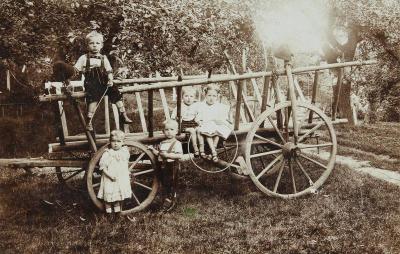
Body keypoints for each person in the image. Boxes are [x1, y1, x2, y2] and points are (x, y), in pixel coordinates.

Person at [74, 31, 132, 131]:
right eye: (92, 43)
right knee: (93, 98)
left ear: (101, 45)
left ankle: (123, 114)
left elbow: (109, 71)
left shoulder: (103, 58)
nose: (94, 46)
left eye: (97, 43)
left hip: (104, 81)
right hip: (91, 81)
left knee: (115, 92)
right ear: (87, 45)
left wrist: (110, 78)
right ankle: (89, 120)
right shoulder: (83, 58)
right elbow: (75, 70)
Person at [148, 119, 183, 211]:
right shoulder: (162, 143)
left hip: (172, 166)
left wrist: (168, 155)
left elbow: (179, 155)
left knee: (171, 183)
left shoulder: (177, 143)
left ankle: (170, 201)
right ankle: (165, 200)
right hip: (163, 166)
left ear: (176, 131)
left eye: (172, 130)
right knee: (164, 183)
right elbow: (159, 154)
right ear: (163, 131)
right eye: (167, 130)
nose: (169, 132)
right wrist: (153, 150)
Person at [97, 130, 132, 214]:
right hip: (109, 179)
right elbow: (103, 168)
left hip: (119, 179)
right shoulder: (108, 153)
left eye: (118, 141)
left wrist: (127, 172)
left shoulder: (124, 152)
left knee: (116, 197)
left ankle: (117, 214)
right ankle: (108, 214)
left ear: (123, 142)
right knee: (108, 198)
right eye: (113, 141)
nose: (115, 144)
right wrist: (109, 176)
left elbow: (124, 164)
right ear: (110, 142)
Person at [195, 84, 232, 162]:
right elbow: (198, 117)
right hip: (207, 125)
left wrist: (222, 122)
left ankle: (213, 151)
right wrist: (199, 121)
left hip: (216, 125)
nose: (211, 98)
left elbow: (223, 118)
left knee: (217, 131)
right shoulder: (202, 106)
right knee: (207, 131)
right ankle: (213, 151)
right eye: (209, 95)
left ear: (217, 96)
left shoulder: (219, 106)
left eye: (214, 96)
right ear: (205, 95)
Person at [171, 86, 200, 156]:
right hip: (183, 125)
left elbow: (197, 116)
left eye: (191, 96)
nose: (189, 98)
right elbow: (173, 117)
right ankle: (195, 148)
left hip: (193, 123)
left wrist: (199, 122)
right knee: (192, 131)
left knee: (199, 129)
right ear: (182, 97)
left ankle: (202, 147)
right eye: (186, 96)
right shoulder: (180, 106)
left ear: (194, 98)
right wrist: (175, 120)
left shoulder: (195, 106)